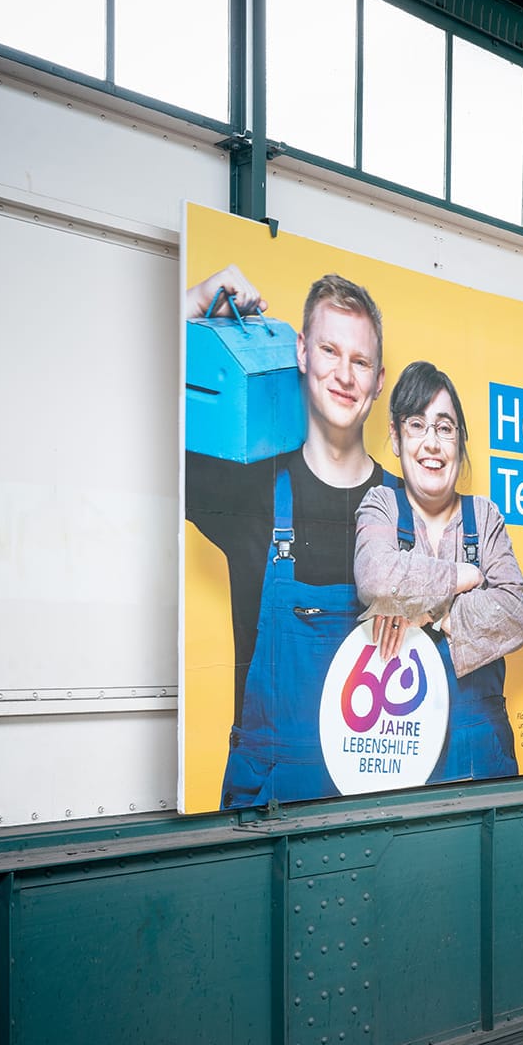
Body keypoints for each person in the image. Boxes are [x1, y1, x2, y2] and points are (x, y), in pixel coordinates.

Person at [185, 264, 397, 808]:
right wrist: (194, 300)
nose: (345, 376)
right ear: (301, 353)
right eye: (330, 352)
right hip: (267, 811)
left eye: (361, 361)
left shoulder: (407, 513)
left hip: (381, 801)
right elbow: (128, 411)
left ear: (378, 379)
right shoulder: (245, 491)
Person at [354, 361, 523, 782]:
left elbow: (516, 613)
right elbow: (376, 577)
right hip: (397, 745)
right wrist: (461, 577)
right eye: (417, 425)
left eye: (445, 428)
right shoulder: (380, 503)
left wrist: (432, 612)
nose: (432, 443)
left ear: (460, 441)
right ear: (396, 438)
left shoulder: (484, 516)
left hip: (481, 755)